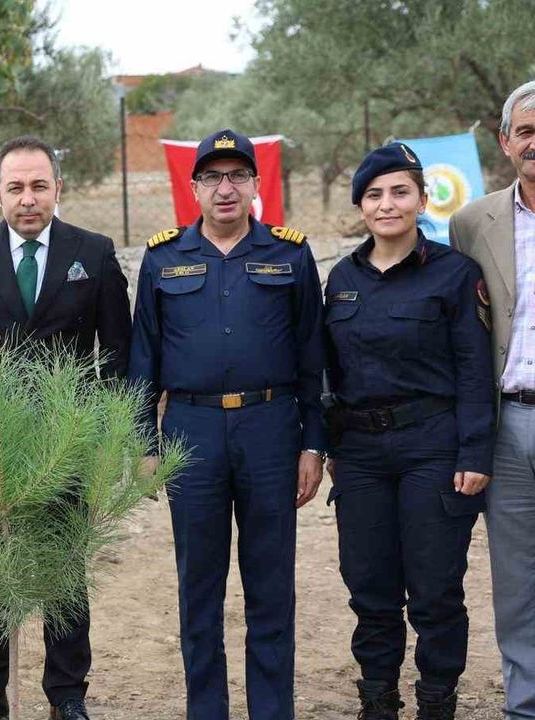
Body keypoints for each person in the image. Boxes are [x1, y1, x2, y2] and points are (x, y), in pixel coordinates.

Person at [127, 129, 326, 720]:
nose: (225, 188)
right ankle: (205, 710)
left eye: (238, 175)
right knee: (199, 587)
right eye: (212, 177)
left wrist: (314, 442)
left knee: (271, 586)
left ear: (256, 184)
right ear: (194, 189)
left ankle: (271, 711)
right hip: (190, 430)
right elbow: (144, 358)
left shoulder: (290, 254)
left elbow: (314, 356)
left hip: (271, 430)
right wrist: (145, 443)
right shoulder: (164, 258)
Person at [0, 136, 132, 720]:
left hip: (66, 443)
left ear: (57, 189)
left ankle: (67, 694)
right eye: (15, 187)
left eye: (39, 185)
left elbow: (116, 352)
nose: (28, 199)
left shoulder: (92, 253)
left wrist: (108, 438)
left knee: (66, 572)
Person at [324, 143, 494, 719]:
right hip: (361, 453)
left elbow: (475, 371)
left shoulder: (454, 274)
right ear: (360, 207)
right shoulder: (341, 278)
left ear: (423, 200)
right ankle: (378, 700)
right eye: (374, 194)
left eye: (400, 192)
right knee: (369, 589)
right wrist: (325, 445)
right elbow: (328, 372)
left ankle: (436, 702)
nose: (387, 204)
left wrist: (475, 451)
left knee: (435, 590)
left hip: (433, 447)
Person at [449, 79, 535, 720]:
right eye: (526, 131)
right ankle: (525, 704)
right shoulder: (471, 222)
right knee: (517, 581)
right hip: (508, 426)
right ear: (505, 142)